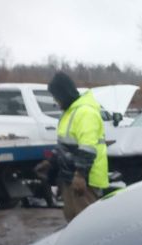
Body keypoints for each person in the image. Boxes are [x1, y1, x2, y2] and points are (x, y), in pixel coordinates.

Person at [43, 71, 108, 221]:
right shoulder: (69, 113)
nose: (55, 101)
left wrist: (80, 175)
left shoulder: (85, 112)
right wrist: (51, 161)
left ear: (63, 94)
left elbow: (88, 148)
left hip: (86, 181)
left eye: (56, 97)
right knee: (73, 220)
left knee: (85, 223)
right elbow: (64, 145)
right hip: (70, 177)